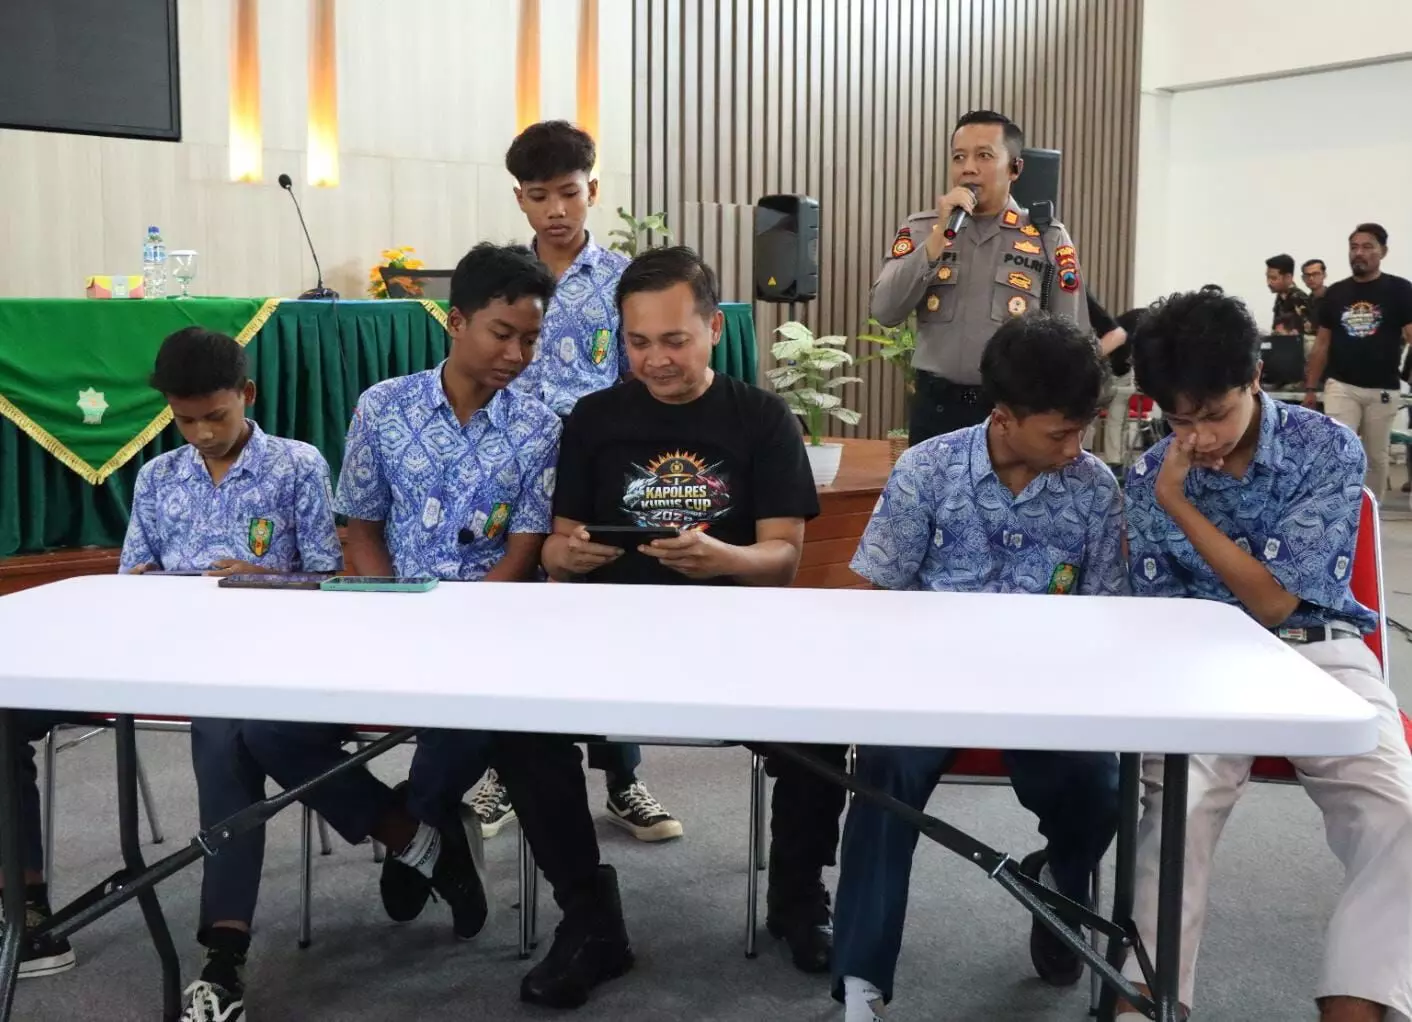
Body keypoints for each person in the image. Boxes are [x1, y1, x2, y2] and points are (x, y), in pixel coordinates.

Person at [540, 245, 846, 974]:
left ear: (714, 327)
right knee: (522, 736)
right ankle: (588, 914)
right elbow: (555, 544)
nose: (655, 360)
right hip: (610, 637)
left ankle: (797, 897)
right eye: (638, 342)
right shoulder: (593, 419)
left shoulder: (762, 419)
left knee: (823, 732)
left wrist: (723, 559)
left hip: (731, 641)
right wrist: (568, 556)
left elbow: (783, 560)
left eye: (674, 340)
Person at [1120, 286, 1412, 1022]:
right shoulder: (1150, 472)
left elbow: (1277, 602)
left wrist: (1181, 504)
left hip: (1320, 650)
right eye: (1179, 421)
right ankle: (1148, 1002)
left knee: (1397, 812)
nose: (1199, 439)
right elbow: (1157, 616)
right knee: (1177, 810)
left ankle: (1357, 1007)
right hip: (1200, 663)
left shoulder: (1326, 447)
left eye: (1214, 415)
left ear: (1254, 377)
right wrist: (1165, 490)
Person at [833, 312, 1123, 1022]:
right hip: (931, 683)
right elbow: (880, 598)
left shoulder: (1094, 490)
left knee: (1099, 784)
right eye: (1059, 433)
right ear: (1004, 417)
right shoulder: (927, 470)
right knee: (884, 776)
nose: (1074, 447)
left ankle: (1060, 883)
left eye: (1083, 430)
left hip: (1046, 690)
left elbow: (1107, 619)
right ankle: (862, 985)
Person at [114, 327, 379, 1021]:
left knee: (229, 732)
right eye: (185, 420)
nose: (202, 433)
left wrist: (261, 575)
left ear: (248, 395)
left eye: (216, 416)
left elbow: (326, 576)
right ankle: (402, 826)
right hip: (188, 657)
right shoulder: (157, 478)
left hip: (278, 657)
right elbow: (132, 577)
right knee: (227, 726)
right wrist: (151, 589)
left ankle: (223, 952)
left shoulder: (296, 464)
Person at [481, 119, 680, 845]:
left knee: (604, 616)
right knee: (519, 615)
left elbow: (643, 376)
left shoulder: (626, 280)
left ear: (592, 189)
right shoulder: (502, 278)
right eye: (539, 197)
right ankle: (504, 771)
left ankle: (623, 779)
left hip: (596, 464)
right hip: (512, 465)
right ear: (520, 200)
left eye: (568, 193)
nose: (556, 210)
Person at [871, 109, 1092, 446]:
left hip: (1013, 413)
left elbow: (1073, 339)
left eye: (984, 156)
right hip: (936, 411)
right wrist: (937, 240)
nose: (968, 168)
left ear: (1015, 168)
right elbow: (884, 311)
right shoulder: (922, 229)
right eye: (959, 157)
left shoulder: (1046, 237)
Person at [1305, 223, 1412, 497]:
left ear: (1383, 252)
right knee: (1338, 449)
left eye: (1367, 247)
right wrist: (1310, 388)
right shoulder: (1336, 293)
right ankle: (1337, 510)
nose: (1358, 253)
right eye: (1353, 247)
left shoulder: (1400, 290)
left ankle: (1370, 512)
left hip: (1383, 388)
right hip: (1342, 385)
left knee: (1376, 456)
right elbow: (1322, 343)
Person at [1265, 253, 1314, 335]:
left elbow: (1311, 333)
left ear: (1288, 277)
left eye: (1273, 278)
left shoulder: (1299, 298)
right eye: (1267, 277)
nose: (1268, 282)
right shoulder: (1280, 297)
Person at [1303, 256, 1329, 324]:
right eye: (1307, 275)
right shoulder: (1304, 303)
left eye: (1315, 274)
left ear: (1324, 275)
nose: (1311, 278)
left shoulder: (1335, 298)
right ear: (1303, 278)